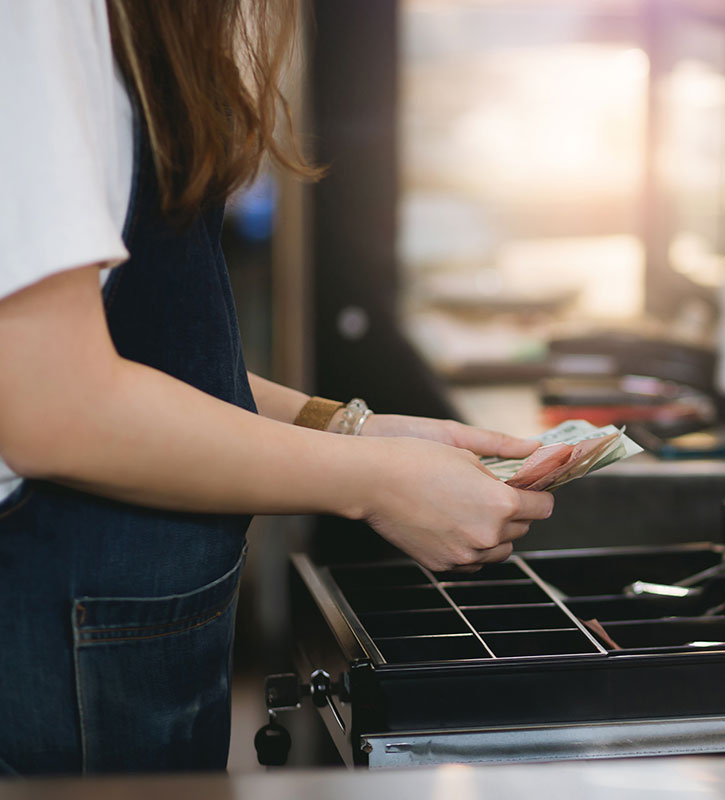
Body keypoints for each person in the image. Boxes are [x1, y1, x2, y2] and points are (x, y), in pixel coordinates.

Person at [0, 0, 554, 776]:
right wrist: (375, 483)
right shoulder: (37, 21)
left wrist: (350, 429)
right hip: (50, 650)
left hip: (128, 634)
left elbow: (149, 352)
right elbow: (52, 405)